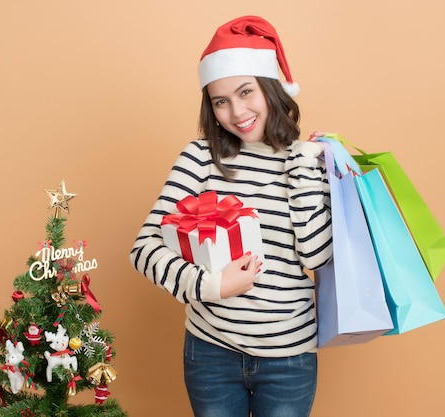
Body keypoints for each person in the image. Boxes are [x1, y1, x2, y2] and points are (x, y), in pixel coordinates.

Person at [129, 15, 332, 417]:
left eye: (246, 92)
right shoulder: (200, 157)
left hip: (289, 360)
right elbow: (144, 248)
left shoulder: (308, 160)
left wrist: (305, 168)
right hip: (210, 354)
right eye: (221, 101)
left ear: (271, 88)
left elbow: (316, 257)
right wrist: (213, 285)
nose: (236, 112)